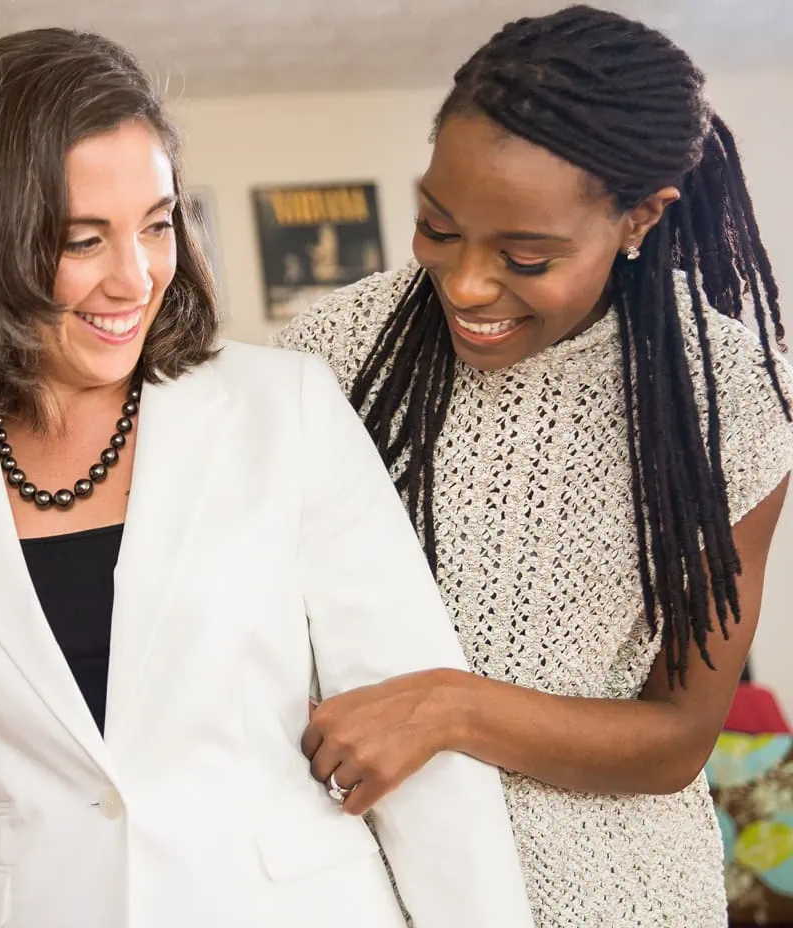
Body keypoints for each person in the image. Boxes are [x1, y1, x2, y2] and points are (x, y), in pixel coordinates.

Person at [0, 28, 534, 928]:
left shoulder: (285, 410)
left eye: (158, 225)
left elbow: (420, 741)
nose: (137, 278)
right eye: (83, 240)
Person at [276, 5, 793, 926]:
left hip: (614, 901)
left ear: (641, 216)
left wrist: (452, 708)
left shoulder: (729, 402)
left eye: (525, 255)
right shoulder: (333, 349)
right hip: (361, 889)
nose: (467, 285)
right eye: (438, 228)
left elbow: (676, 736)